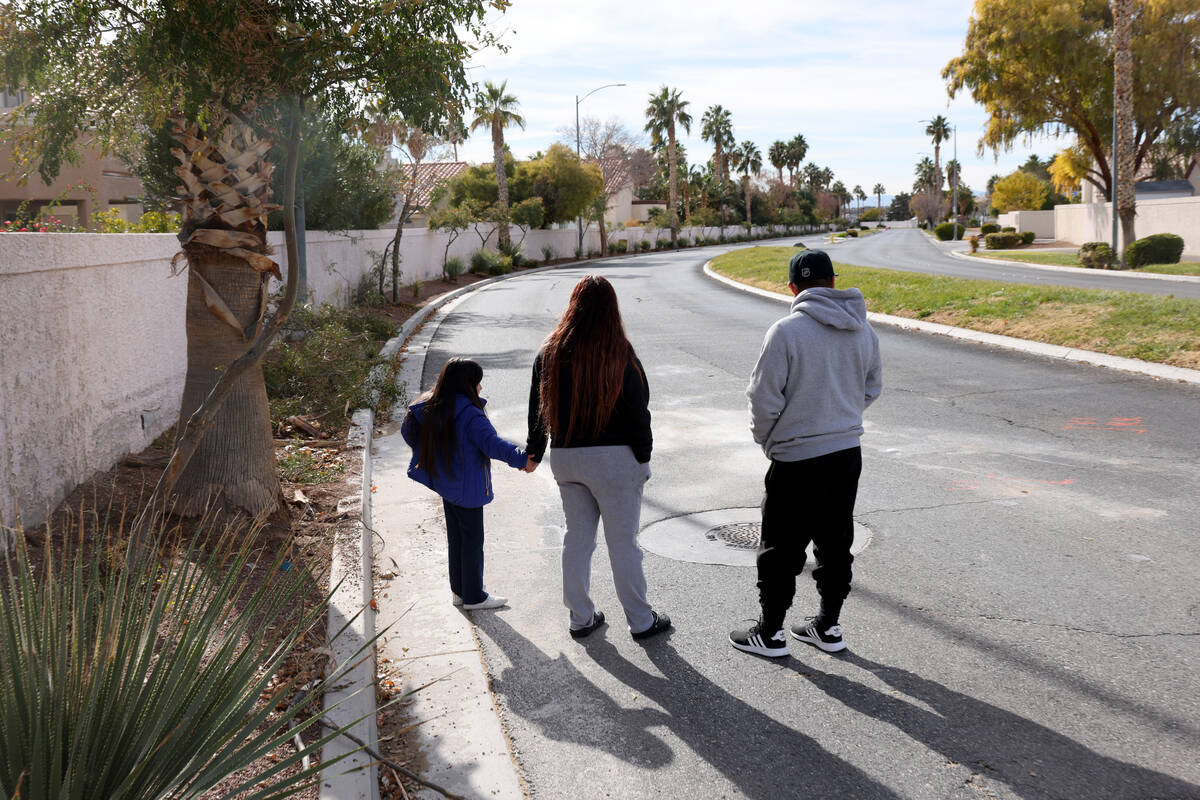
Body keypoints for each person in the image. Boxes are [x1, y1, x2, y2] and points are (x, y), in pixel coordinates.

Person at [730, 249, 882, 658]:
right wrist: (840, 417)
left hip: (796, 457)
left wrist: (771, 441)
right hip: (846, 452)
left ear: (793, 288)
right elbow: (871, 387)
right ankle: (828, 626)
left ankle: (771, 633)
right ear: (834, 281)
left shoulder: (785, 331)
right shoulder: (863, 331)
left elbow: (763, 399)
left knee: (781, 547)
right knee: (835, 543)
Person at [526, 275, 671, 641]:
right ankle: (640, 620)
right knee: (623, 543)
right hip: (614, 460)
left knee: (577, 539)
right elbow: (639, 409)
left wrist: (535, 453)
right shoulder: (618, 349)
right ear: (611, 308)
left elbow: (537, 412)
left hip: (566, 458)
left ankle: (580, 617)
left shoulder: (550, 351)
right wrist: (643, 457)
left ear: (573, 305)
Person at [402, 357, 535, 611]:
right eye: (477, 383)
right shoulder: (470, 414)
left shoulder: (433, 406)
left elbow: (408, 431)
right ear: (467, 385)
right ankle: (474, 596)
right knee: (472, 542)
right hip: (468, 487)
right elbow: (493, 445)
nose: (481, 389)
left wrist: (434, 456)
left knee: (457, 540)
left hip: (447, 483)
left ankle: (459, 591)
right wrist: (521, 459)